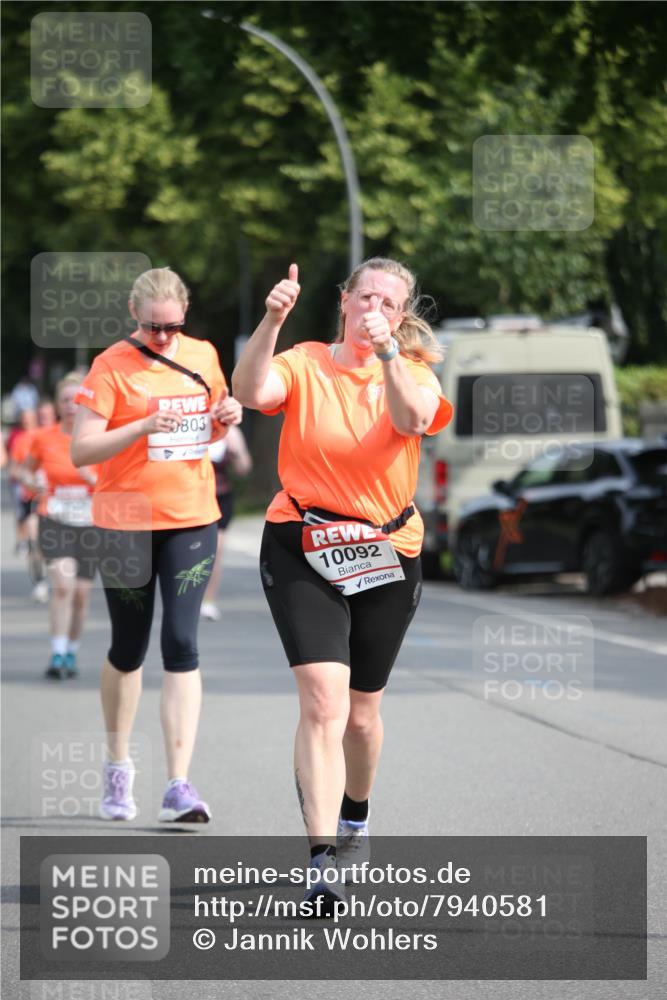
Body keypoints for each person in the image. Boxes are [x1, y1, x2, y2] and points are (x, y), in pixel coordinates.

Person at [233, 257, 453, 907]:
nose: (373, 310)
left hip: (386, 551)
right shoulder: (305, 361)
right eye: (365, 298)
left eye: (389, 303)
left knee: (360, 716)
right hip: (302, 543)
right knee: (323, 704)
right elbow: (251, 392)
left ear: (401, 316)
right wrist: (272, 320)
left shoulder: (413, 372)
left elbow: (413, 421)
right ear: (344, 301)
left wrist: (387, 356)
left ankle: (356, 813)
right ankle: (321, 861)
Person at [71, 266, 242, 824]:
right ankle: (118, 765)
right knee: (129, 647)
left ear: (185, 314)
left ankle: (178, 785)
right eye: (152, 327)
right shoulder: (110, 366)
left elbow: (212, 427)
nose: (163, 337)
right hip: (125, 521)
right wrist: (141, 427)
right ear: (133, 314)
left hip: (191, 517)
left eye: (171, 327)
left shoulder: (204, 355)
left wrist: (227, 417)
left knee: (182, 642)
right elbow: (82, 450)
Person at [21, 373, 98, 678]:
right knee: (63, 586)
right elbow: (23, 470)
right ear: (57, 404)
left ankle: (71, 651)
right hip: (54, 518)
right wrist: (33, 482)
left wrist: (93, 479)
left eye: (76, 400)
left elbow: (117, 481)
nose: (71, 405)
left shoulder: (99, 437)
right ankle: (57, 652)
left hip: (90, 523)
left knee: (81, 595)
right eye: (65, 400)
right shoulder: (44, 437)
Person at [200, 424, 253, 621]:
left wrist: (235, 452)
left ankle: (208, 601)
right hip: (193, 497)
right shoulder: (191, 424)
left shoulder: (231, 431)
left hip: (220, 496)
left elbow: (244, 469)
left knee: (216, 549)